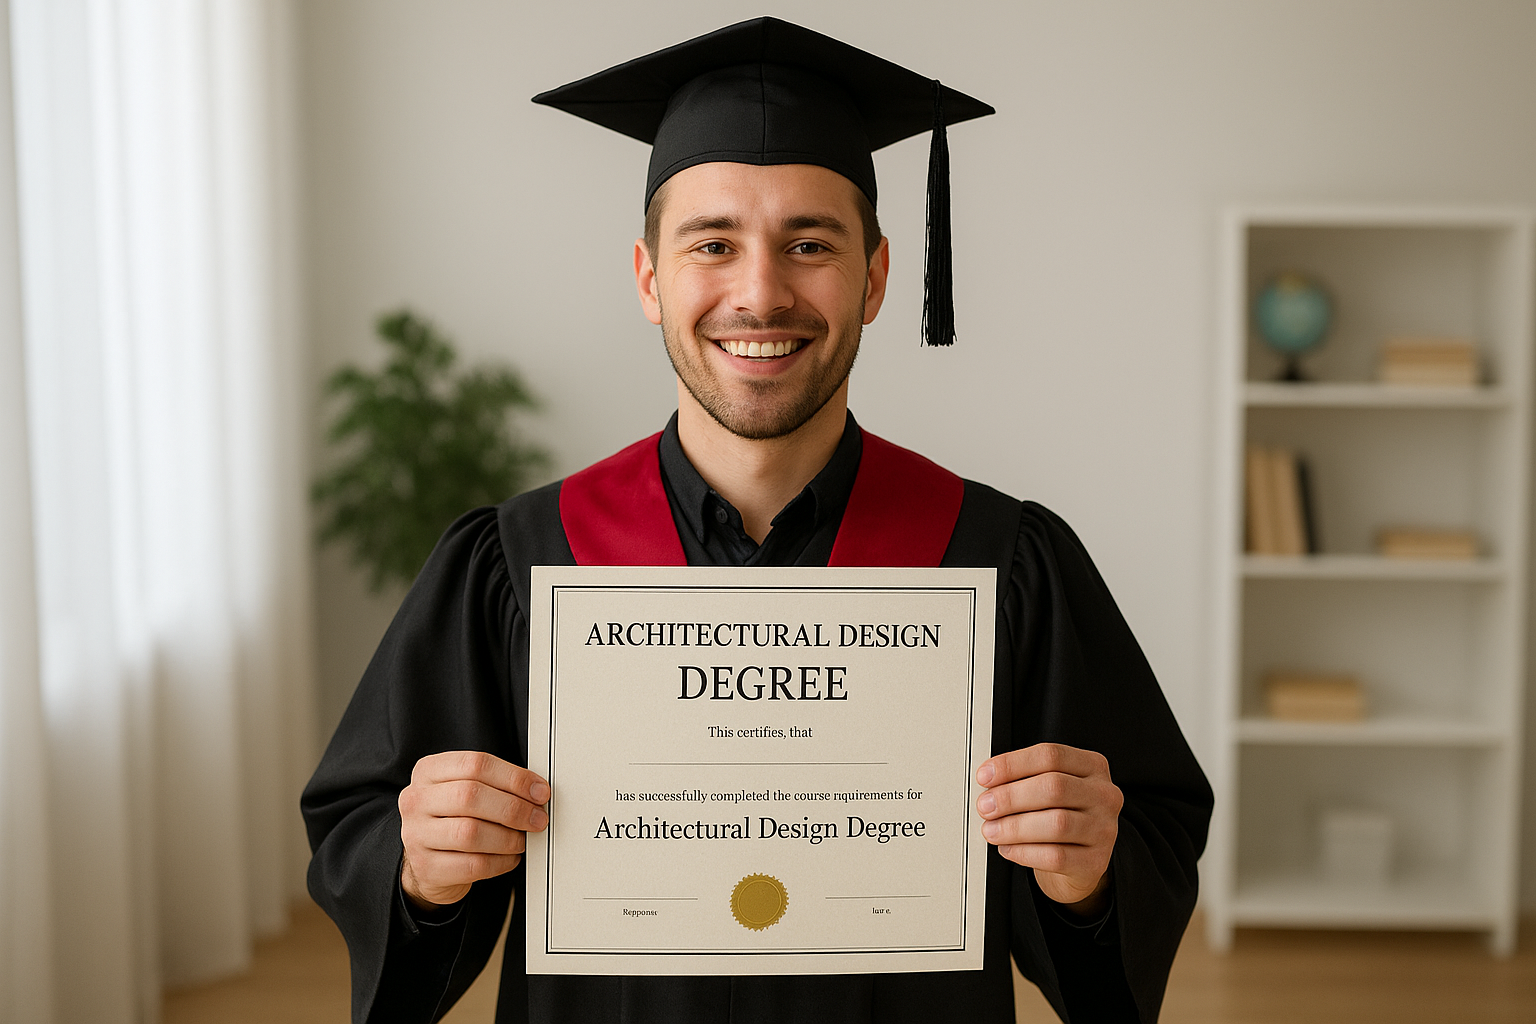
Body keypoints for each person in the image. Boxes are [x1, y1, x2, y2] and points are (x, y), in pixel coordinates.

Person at [302, 17, 1212, 1024]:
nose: (761, 291)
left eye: (810, 243)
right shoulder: (522, 566)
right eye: (714, 243)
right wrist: (420, 867)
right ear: (651, 279)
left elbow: (1142, 873)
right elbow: (366, 855)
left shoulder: (999, 562)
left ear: (874, 278)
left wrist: (1088, 873)